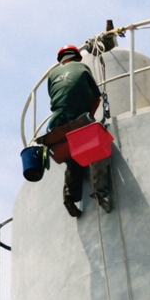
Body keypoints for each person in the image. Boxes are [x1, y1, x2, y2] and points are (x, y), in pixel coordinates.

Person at [46, 45, 111, 218]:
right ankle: (100, 191)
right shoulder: (82, 67)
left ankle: (69, 197)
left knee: (72, 157)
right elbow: (96, 97)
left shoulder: (52, 74)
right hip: (78, 119)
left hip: (56, 123)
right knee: (95, 148)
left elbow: (57, 99)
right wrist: (89, 117)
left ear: (61, 60)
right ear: (76, 57)